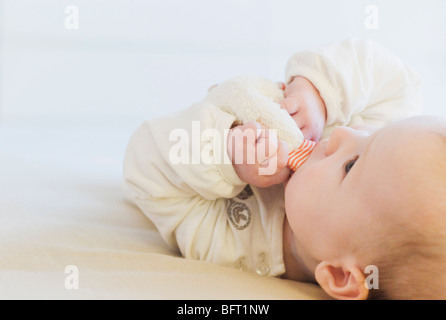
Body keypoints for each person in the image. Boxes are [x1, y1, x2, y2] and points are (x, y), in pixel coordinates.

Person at [123, 38, 446, 299]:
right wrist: (318, 93)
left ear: (339, 276)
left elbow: (144, 167)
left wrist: (227, 158)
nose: (346, 133)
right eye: (373, 134)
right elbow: (394, 79)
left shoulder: (233, 247)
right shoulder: (370, 151)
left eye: (350, 166)